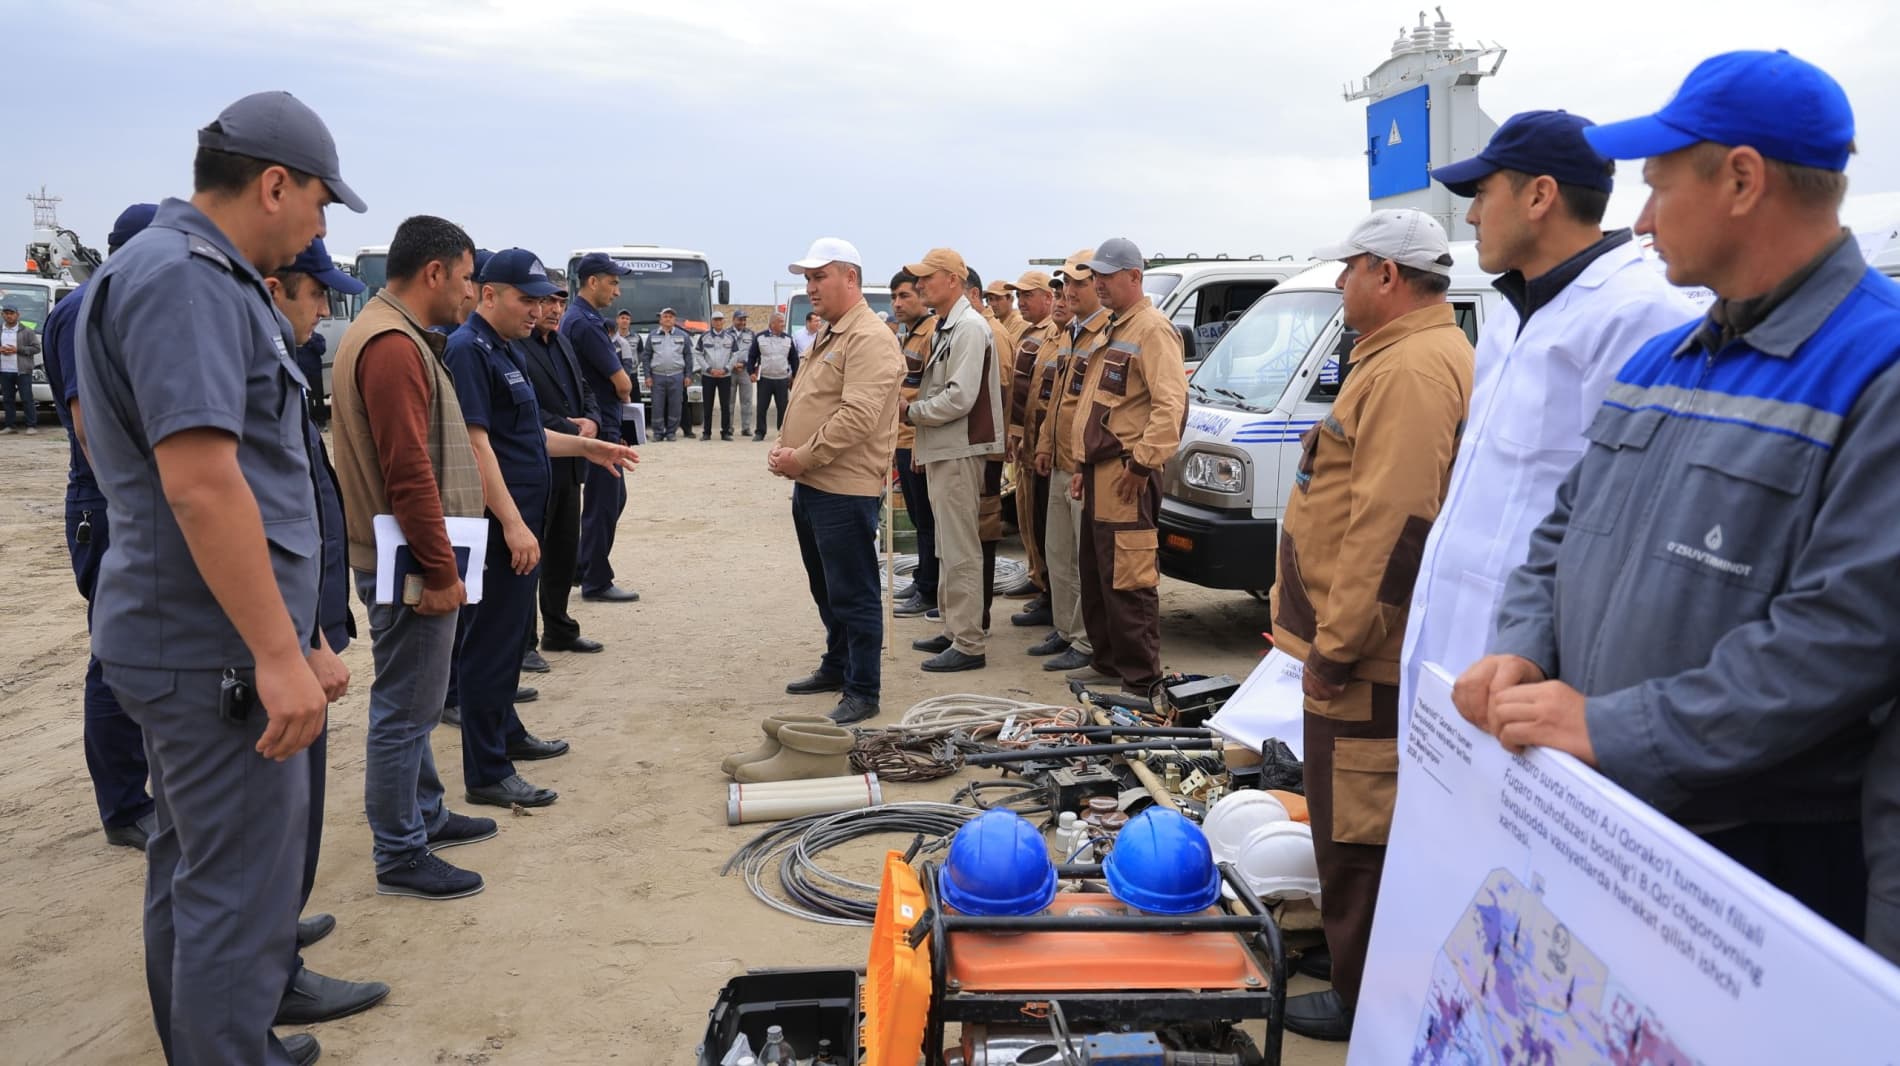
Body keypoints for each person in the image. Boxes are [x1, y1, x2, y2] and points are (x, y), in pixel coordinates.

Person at [1453, 49, 1892, 948]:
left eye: (1657, 186)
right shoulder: (1664, 362)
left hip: (1753, 871)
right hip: (1607, 820)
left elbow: (1840, 640)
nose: (1642, 219)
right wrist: (1524, 650)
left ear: (1741, 180)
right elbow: (1561, 530)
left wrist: (1614, 727)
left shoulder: (1874, 371)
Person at [74, 89, 363, 1066]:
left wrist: (306, 637)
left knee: (197, 873)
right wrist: (278, 653)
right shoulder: (187, 278)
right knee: (236, 888)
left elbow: (262, 488)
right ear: (273, 184)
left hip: (212, 639)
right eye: (322, 202)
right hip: (212, 653)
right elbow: (202, 485)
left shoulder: (204, 275)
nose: (322, 226)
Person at [1398, 111, 1699, 721]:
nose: (1473, 215)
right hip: (1452, 640)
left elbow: (1628, 519)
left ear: (1540, 195)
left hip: (1531, 665)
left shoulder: (1638, 315)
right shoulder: (1511, 309)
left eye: (1482, 193)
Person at [1271, 212, 1473, 1040]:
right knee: (1343, 816)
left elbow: (1393, 525)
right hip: (1357, 645)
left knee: (1358, 826)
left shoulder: (1413, 371)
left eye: (1349, 270)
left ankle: (1367, 1000)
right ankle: (1354, 961)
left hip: (1368, 656)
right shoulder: (1398, 357)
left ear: (1387, 275)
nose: (1341, 283)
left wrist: (1336, 645)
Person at [330, 215, 497, 903]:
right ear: (434, 273)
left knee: (417, 703)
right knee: (404, 711)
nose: (469, 294)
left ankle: (424, 813)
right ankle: (400, 851)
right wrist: (439, 570)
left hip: (413, 557)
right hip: (412, 565)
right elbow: (408, 473)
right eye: (464, 279)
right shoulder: (394, 345)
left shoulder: (390, 333)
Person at [444, 249, 639, 810]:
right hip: (500, 523)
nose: (537, 310)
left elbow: (527, 435)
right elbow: (477, 446)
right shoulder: (469, 351)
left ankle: (506, 733)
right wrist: (510, 523)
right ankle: (487, 770)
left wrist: (588, 446)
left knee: (507, 640)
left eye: (542, 299)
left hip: (523, 517)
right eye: (526, 299)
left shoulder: (507, 349)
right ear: (488, 294)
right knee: (487, 644)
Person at [263, 235, 393, 1029]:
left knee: (267, 838)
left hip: (290, 622)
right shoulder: (248, 339)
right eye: (316, 297)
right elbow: (239, 511)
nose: (322, 313)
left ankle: (272, 937)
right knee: (256, 833)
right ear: (281, 288)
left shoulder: (280, 347)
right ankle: (266, 983)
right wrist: (297, 640)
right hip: (265, 644)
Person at [40, 203, 157, 851]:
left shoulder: (122, 308)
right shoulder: (87, 310)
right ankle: (124, 808)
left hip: (133, 502)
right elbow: (93, 429)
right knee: (119, 653)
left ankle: (147, 790)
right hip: (111, 506)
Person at [771, 238, 905, 725]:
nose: (811, 288)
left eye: (819, 277)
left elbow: (858, 417)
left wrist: (802, 456)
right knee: (826, 585)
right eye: (807, 279)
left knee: (854, 590)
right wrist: (790, 453)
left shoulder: (869, 337)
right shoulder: (831, 333)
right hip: (813, 483)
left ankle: (862, 688)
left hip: (843, 487)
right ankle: (837, 663)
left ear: (851, 277)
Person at [903, 248, 1006, 673]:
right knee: (948, 544)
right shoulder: (951, 325)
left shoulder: (968, 328)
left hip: (960, 448)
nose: (921, 285)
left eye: (928, 278)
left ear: (952, 279)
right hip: (945, 447)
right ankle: (953, 629)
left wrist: (912, 413)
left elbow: (960, 397)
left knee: (960, 548)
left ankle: (968, 643)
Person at [1035, 250, 1112, 677]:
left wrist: (1081, 460)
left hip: (1085, 465)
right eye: (1066, 284)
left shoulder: (1103, 335)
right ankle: (1064, 629)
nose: (1070, 292)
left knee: (1085, 559)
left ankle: (1085, 638)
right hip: (1062, 459)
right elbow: (1056, 402)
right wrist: (1045, 444)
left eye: (1079, 284)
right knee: (1058, 552)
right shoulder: (1070, 334)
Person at [518, 289, 606, 660]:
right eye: (545, 303)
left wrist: (593, 420)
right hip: (535, 466)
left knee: (563, 551)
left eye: (559, 303)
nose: (553, 310)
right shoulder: (517, 347)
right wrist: (571, 429)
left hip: (569, 466)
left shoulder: (562, 342)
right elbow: (525, 411)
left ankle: (558, 628)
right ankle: (522, 643)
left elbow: (584, 389)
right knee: (529, 557)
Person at [562, 252, 641, 601]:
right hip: (602, 420)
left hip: (596, 419)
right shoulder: (586, 322)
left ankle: (582, 566)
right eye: (613, 282)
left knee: (608, 496)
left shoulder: (576, 317)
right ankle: (596, 579)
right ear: (592, 282)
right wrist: (623, 395)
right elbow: (621, 381)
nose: (617, 292)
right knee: (604, 500)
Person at [1002, 271, 1061, 635]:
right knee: (1027, 517)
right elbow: (1024, 392)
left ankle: (1050, 593)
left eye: (1028, 295)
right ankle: (1038, 576)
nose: (1021, 301)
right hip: (1029, 442)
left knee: (1044, 524)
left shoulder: (1054, 335)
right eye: (1018, 295)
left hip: (1045, 447)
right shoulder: (1031, 333)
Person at [888, 271, 939, 618]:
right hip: (903, 439)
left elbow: (931, 393)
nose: (897, 303)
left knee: (927, 521)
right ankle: (923, 576)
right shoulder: (908, 335)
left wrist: (921, 444)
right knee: (919, 517)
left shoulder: (931, 334)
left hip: (919, 440)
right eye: (895, 297)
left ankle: (930, 589)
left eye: (905, 296)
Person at [642, 305, 695, 441]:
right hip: (657, 376)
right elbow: (646, 356)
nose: (668, 319)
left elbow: (688, 357)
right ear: (660, 319)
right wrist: (647, 376)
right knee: (657, 406)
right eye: (665, 316)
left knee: (675, 406)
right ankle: (658, 433)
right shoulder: (652, 336)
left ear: (674, 320)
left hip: (677, 376)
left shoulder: (683, 336)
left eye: (671, 317)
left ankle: (671, 432)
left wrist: (688, 375)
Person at [747, 310, 800, 441]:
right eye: (780, 322)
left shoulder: (788, 339)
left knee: (783, 407)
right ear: (772, 324)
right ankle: (760, 432)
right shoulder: (760, 337)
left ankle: (782, 433)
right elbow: (752, 356)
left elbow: (794, 359)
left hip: (782, 379)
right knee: (761, 407)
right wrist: (751, 373)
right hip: (765, 378)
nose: (783, 324)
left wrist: (794, 375)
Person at [698, 309, 740, 440]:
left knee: (725, 405)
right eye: (715, 319)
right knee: (708, 405)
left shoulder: (730, 338)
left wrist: (726, 369)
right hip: (708, 376)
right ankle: (706, 432)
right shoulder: (704, 337)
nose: (718, 322)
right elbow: (698, 355)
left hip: (724, 376)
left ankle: (725, 432)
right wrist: (709, 369)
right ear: (712, 321)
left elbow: (735, 355)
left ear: (723, 321)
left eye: (720, 319)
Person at [0, 303, 41, 433]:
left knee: (27, 398)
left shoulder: (27, 331)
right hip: (4, 370)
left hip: (22, 370)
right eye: (6, 313)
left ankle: (31, 425)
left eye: (11, 313)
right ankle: (10, 426)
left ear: (18, 315)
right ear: (2, 315)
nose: (9, 316)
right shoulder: (1, 330)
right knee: (7, 399)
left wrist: (17, 350)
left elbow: (36, 348)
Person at [731, 308, 757, 433]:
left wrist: (745, 364)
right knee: (729, 401)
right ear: (733, 320)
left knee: (746, 401)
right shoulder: (726, 334)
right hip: (730, 371)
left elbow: (753, 353)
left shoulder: (751, 334)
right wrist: (732, 364)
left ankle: (746, 428)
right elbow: (724, 352)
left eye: (744, 319)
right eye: (740, 319)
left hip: (745, 371)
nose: (742, 322)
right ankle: (728, 427)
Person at [983, 278, 1025, 347]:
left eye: (998, 298)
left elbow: (1007, 352)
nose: (993, 304)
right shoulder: (997, 322)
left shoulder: (1019, 322)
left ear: (1011, 299)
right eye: (990, 299)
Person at [612, 309, 643, 403]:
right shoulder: (611, 338)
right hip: (616, 375)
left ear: (630, 321)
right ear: (617, 320)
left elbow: (641, 355)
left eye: (627, 319)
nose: (625, 320)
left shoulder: (637, 337)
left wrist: (634, 365)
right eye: (622, 318)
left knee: (635, 402)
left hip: (632, 375)